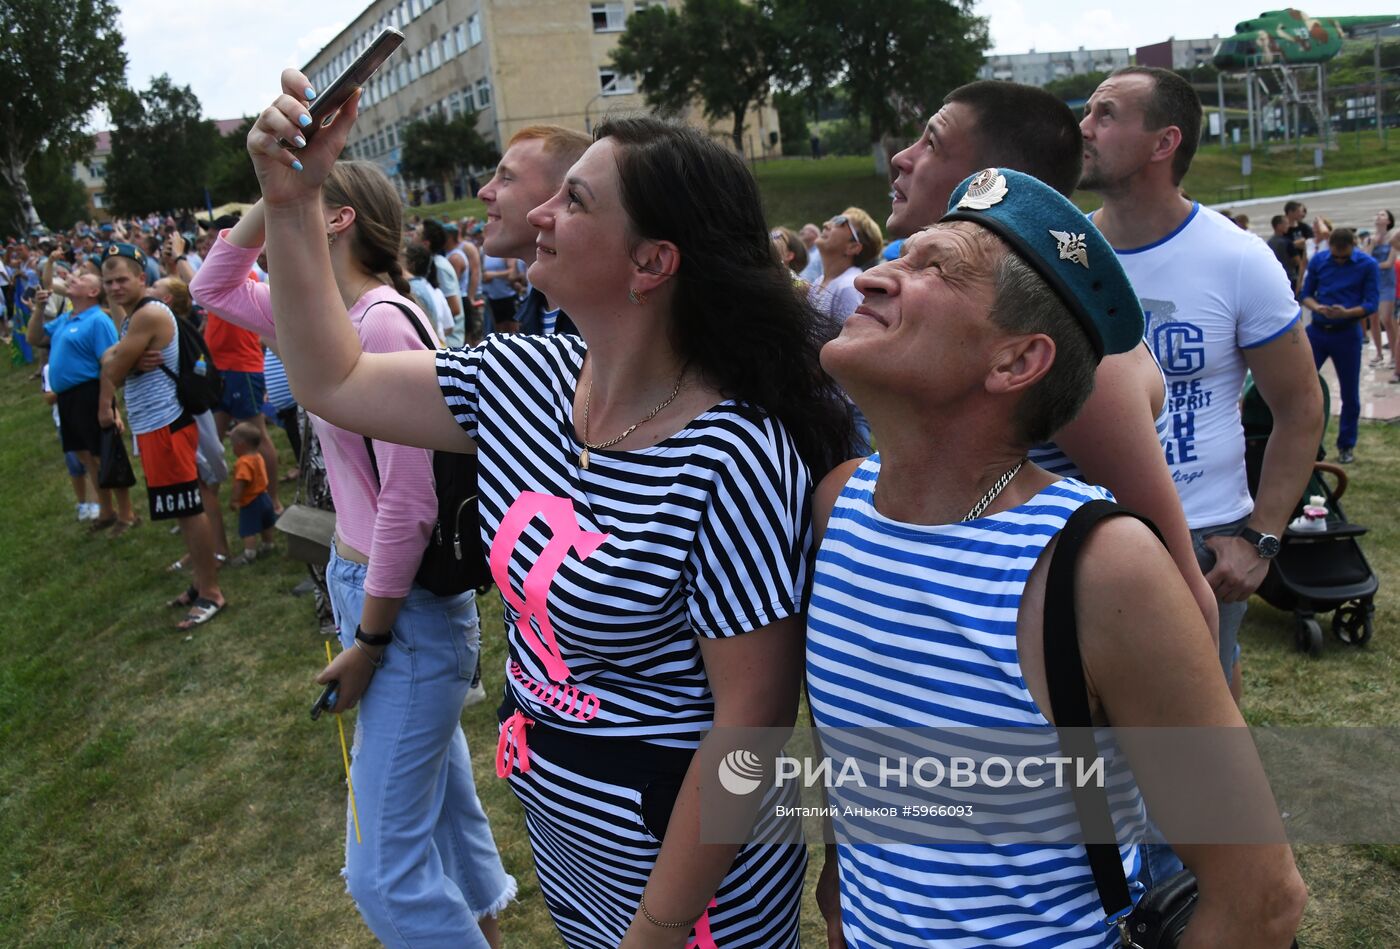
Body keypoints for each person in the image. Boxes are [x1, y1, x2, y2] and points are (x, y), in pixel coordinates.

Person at [245, 72, 852, 947]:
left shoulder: (734, 453)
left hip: (689, 875)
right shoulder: (520, 377)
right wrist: (292, 201)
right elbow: (333, 380)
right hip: (569, 838)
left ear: (652, 262)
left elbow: (750, 728)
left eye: (573, 201)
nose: (537, 214)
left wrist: (658, 929)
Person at [809, 165, 1307, 949]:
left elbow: (1262, 898)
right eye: (898, 257)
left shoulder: (1101, 568)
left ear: (1015, 362)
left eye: (932, 267)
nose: (873, 276)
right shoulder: (838, 506)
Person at [190, 161, 515, 948]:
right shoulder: (325, 315)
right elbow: (214, 288)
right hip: (372, 588)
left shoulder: (377, 324)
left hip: (398, 607)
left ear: (337, 221)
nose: (280, 221)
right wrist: (276, 198)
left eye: (304, 205)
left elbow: (411, 500)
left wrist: (367, 639)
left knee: (383, 874)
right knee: (441, 816)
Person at [884, 77, 1219, 648]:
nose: (903, 157)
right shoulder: (954, 308)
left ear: (998, 181)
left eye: (933, 143)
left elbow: (1178, 582)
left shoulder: (1070, 344)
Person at [1080, 66, 1323, 697]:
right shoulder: (1065, 252)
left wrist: (1260, 539)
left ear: (1164, 143)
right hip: (1079, 527)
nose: (1084, 127)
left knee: (1189, 735)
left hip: (1199, 538)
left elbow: (1299, 407)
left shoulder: (1236, 258)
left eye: (1106, 114)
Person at [97, 242, 226, 628]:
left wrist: (109, 395)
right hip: (157, 426)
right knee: (185, 509)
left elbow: (113, 370)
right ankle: (200, 581)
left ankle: (211, 592)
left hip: (166, 425)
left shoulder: (148, 314)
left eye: (122, 279)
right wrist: (123, 359)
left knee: (188, 510)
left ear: (142, 278)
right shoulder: (133, 316)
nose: (115, 287)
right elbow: (110, 359)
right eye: (108, 281)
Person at [25, 269, 138, 533]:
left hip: (90, 393)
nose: (72, 280)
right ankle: (106, 509)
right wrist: (39, 309)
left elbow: (110, 364)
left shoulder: (97, 320)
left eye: (80, 279)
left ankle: (126, 513)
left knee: (107, 455)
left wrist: (107, 405)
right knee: (86, 457)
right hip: (68, 398)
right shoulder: (66, 318)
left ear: (93, 292)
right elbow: (35, 338)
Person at [470, 125, 590, 337]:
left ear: (565, 195)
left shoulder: (604, 325)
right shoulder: (531, 314)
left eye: (506, 178)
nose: (483, 192)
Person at [1301, 227, 1379, 464]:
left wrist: (1348, 312)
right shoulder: (1319, 260)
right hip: (1318, 331)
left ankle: (1346, 445)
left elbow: (1371, 303)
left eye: (1343, 256)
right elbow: (1305, 294)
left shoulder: (1367, 264)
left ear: (1352, 247)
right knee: (1303, 388)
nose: (1339, 259)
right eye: (1335, 255)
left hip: (1347, 333)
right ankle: (1308, 444)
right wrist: (1318, 308)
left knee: (1349, 392)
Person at [808, 208, 882, 320]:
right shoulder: (820, 280)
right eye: (832, 219)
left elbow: (852, 336)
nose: (826, 224)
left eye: (839, 221)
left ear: (852, 247)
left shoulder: (849, 287)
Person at [227, 421, 278, 565]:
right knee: (266, 524)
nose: (232, 449)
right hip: (265, 497)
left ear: (241, 445)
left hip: (251, 501)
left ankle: (249, 553)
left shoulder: (243, 462)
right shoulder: (259, 457)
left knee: (248, 528)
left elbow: (241, 482)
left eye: (233, 445)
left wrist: (235, 500)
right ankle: (268, 544)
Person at [1361, 209, 1398, 371]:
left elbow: (1389, 263)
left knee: (1386, 319)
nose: (1378, 216)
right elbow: (1364, 260)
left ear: (1388, 221)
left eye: (1382, 215)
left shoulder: (1393, 239)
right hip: (1372, 284)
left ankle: (1395, 355)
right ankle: (1378, 353)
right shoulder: (1369, 239)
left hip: (1387, 284)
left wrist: (1372, 266)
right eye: (1377, 214)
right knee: (1373, 318)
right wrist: (1372, 244)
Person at [1267, 214, 1300, 286]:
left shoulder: (1269, 242)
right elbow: (1297, 261)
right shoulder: (1287, 242)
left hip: (1275, 277)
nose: (1288, 226)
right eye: (1286, 224)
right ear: (1279, 226)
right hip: (1290, 277)